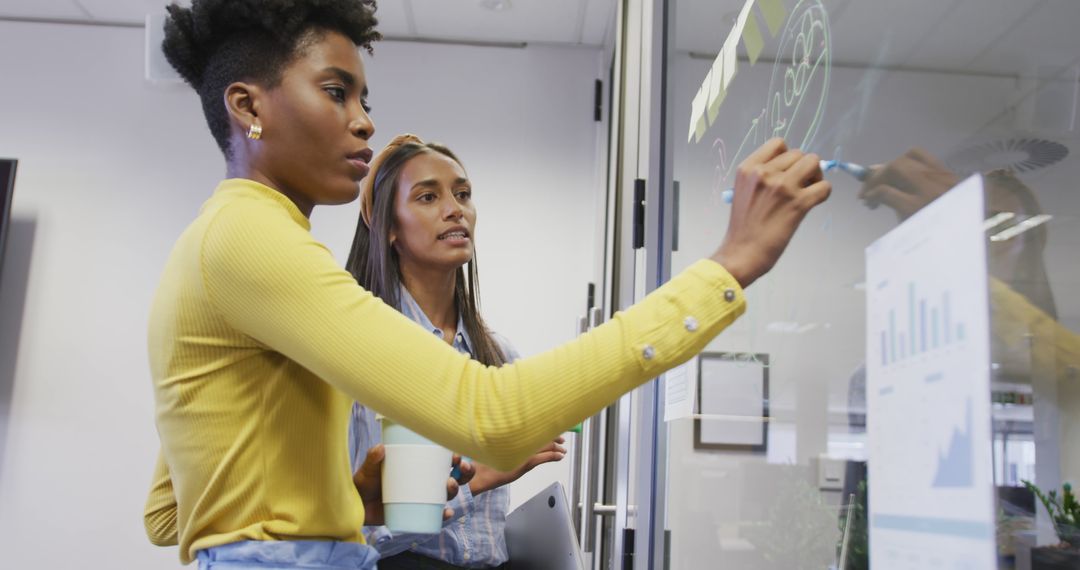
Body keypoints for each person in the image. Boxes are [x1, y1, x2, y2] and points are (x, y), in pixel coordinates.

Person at [142, 1, 831, 568]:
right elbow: (494, 420)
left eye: (362, 97)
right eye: (335, 91)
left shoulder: (231, 241)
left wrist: (351, 500)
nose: (364, 120)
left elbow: (172, 514)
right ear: (247, 107)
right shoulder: (251, 239)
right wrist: (729, 267)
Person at [345, 135, 566, 569]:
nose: (455, 209)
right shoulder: (360, 352)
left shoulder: (498, 355)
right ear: (389, 226)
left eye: (462, 194)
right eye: (428, 196)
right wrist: (478, 480)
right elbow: (353, 536)